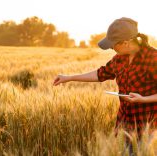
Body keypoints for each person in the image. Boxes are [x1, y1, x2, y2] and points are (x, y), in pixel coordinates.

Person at [53, 17, 157, 152]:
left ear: (125, 43)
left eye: (113, 45)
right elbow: (100, 74)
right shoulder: (119, 59)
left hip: (149, 129)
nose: (111, 48)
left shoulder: (153, 58)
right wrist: (69, 78)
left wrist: (143, 99)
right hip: (124, 126)